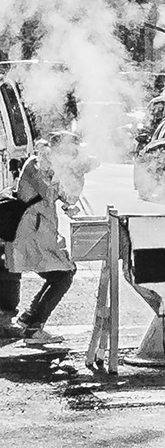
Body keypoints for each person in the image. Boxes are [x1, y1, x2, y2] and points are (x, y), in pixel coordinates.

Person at [5, 144, 77, 343]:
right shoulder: (36, 164)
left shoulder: (47, 166)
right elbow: (49, 192)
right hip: (30, 233)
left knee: (62, 274)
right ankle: (33, 326)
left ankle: (31, 319)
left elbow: (66, 195)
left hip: (39, 233)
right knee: (63, 275)